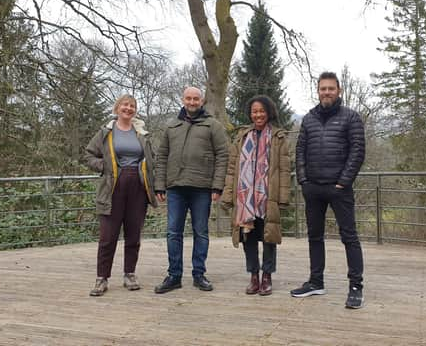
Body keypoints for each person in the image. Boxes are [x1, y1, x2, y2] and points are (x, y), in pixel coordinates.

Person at [290, 71, 366, 309]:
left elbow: (357, 152)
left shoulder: (351, 117)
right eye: (323, 89)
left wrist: (343, 182)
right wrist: (303, 180)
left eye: (330, 88)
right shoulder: (309, 119)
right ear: (318, 91)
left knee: (349, 237)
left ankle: (355, 287)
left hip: (339, 189)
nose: (326, 92)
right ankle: (316, 282)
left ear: (339, 90)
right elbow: (300, 151)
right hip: (313, 188)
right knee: (314, 236)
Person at [153, 86, 228, 293]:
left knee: (201, 232)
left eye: (196, 99)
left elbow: (223, 156)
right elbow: (161, 157)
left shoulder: (213, 125)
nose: (192, 102)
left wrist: (217, 185)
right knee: (173, 233)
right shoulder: (171, 126)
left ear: (201, 101)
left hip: (202, 188)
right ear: (183, 100)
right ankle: (174, 276)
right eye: (188, 98)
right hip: (175, 187)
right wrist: (159, 184)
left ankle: (199, 274)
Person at [85, 94, 158, 296]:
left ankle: (129, 274)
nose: (128, 108)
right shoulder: (106, 132)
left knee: (134, 234)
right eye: (125, 105)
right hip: (112, 187)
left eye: (132, 106)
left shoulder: (141, 132)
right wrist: (104, 166)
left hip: (138, 186)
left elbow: (152, 160)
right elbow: (89, 154)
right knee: (108, 236)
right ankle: (102, 278)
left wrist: (156, 185)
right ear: (117, 108)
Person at [221, 95, 290, 296]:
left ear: (268, 112)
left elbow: (284, 169)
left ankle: (267, 276)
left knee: (269, 236)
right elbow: (232, 168)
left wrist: (283, 197)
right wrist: (228, 195)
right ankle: (253, 275)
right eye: (254, 111)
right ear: (250, 114)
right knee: (248, 236)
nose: (258, 114)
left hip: (268, 195)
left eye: (261, 111)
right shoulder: (241, 137)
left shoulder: (279, 137)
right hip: (245, 198)